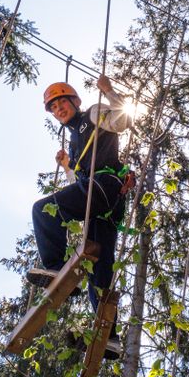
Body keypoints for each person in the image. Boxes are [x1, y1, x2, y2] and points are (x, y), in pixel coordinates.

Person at [28, 74, 133, 356]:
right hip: (103, 201)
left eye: (62, 103)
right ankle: (108, 335)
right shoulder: (75, 142)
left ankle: (54, 267)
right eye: (53, 108)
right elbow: (79, 183)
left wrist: (110, 91)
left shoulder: (93, 113)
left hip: (104, 187)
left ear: (74, 101)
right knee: (99, 266)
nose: (58, 110)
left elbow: (124, 121)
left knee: (43, 211)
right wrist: (66, 166)